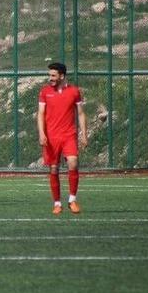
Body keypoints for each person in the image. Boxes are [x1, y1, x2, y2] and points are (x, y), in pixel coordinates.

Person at [37, 62, 87, 215]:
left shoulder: (74, 91)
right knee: (54, 169)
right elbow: (40, 114)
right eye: (49, 75)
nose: (50, 78)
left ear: (62, 76)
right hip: (51, 137)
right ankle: (57, 203)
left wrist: (84, 134)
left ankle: (72, 200)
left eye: (53, 75)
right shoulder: (45, 92)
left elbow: (80, 114)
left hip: (69, 135)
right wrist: (41, 133)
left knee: (73, 163)